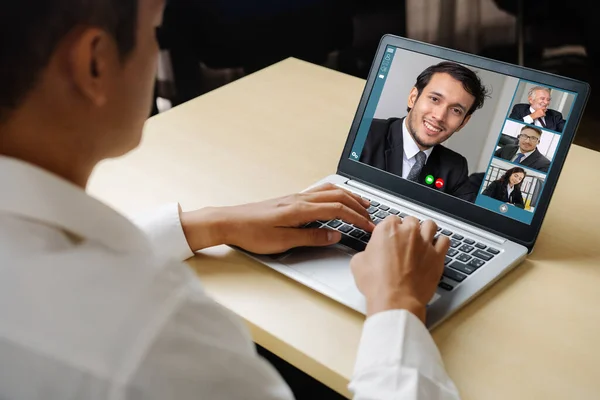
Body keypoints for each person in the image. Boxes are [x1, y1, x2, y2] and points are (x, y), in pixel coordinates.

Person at [0, 1, 460, 399]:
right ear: (94, 64)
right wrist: (398, 303)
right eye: (155, 33)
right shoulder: (151, 338)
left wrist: (208, 224)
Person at [359, 61, 489, 198]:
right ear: (413, 98)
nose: (439, 116)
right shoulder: (365, 132)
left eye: (456, 110)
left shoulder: (455, 167)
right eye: (434, 99)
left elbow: (466, 216)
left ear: (463, 123)